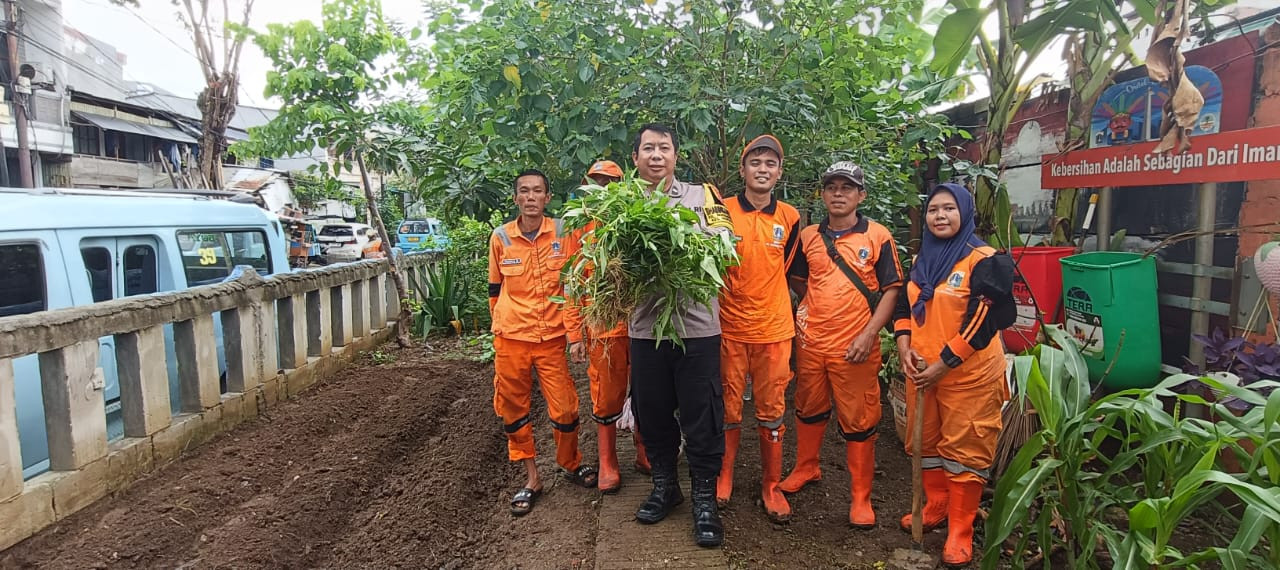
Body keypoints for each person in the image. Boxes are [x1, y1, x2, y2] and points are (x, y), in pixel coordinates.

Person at [892, 182, 1015, 566]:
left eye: (948, 209)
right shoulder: (921, 260)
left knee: (966, 449)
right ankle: (937, 504)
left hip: (969, 374)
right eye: (933, 210)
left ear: (964, 213)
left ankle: (960, 530)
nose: (940, 216)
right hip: (922, 370)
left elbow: (985, 318)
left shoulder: (985, 259)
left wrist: (945, 362)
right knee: (925, 442)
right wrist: (905, 348)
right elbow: (903, 307)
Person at [628, 123, 733, 547]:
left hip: (697, 327)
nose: (656, 155)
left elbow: (725, 242)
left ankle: (704, 499)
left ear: (676, 155)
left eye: (664, 148)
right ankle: (666, 486)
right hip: (645, 328)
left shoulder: (704, 196)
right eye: (648, 148)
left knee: (702, 414)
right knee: (651, 411)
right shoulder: (622, 203)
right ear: (635, 157)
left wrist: (681, 240)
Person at [782, 161, 903, 529]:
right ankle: (807, 467)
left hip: (856, 346)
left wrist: (868, 334)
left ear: (860, 195)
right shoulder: (808, 237)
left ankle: (861, 497)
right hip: (812, 343)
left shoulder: (878, 236)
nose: (838, 193)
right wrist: (816, 310)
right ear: (822, 194)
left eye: (847, 188)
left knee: (860, 420)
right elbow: (800, 281)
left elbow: (892, 289)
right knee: (807, 407)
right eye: (832, 187)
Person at [489, 169, 598, 517]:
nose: (531, 197)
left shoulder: (565, 232)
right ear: (516, 198)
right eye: (524, 191)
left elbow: (575, 286)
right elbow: (495, 291)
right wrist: (499, 328)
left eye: (538, 191)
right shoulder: (501, 238)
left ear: (547, 198)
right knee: (514, 411)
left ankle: (570, 463)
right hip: (511, 338)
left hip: (551, 338)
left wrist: (574, 334)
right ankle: (532, 478)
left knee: (565, 408)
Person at [715, 134, 801, 523]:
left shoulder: (791, 217)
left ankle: (771, 483)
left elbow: (790, 271)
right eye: (755, 162)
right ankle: (725, 472)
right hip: (728, 327)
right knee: (728, 406)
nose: (762, 169)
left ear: (779, 173)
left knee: (772, 410)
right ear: (743, 169)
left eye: (770, 164)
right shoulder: (720, 211)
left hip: (774, 330)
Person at [566, 160, 651, 494]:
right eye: (597, 182)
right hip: (602, 328)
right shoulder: (579, 227)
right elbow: (571, 283)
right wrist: (575, 334)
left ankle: (645, 453)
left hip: (641, 324)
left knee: (647, 390)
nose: (603, 188)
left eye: (610, 182)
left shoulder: (634, 221)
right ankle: (608, 462)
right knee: (606, 396)